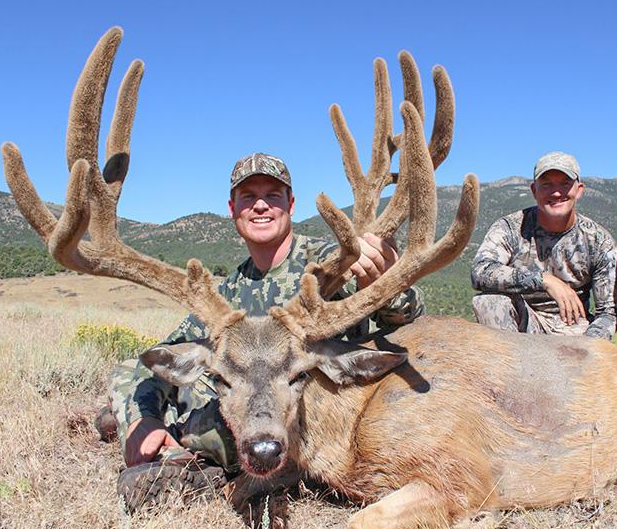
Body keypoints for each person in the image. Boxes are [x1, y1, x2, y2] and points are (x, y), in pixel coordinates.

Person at [105, 153, 423, 508]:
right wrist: (141, 420)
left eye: (272, 195)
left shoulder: (335, 264)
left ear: (290, 203)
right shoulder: (227, 295)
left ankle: (196, 456)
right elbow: (148, 364)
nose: (260, 205)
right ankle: (168, 433)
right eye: (248, 196)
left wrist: (386, 284)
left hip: (326, 421)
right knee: (169, 398)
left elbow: (406, 322)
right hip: (256, 419)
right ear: (232, 208)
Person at [471, 151, 617, 340]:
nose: (556, 193)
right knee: (489, 302)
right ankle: (510, 366)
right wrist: (543, 280)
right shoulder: (510, 227)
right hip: (524, 326)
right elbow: (480, 271)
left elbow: (607, 313)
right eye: (547, 184)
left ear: (579, 189)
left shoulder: (599, 240)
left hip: (575, 331)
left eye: (565, 184)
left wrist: (588, 348)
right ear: (534, 190)